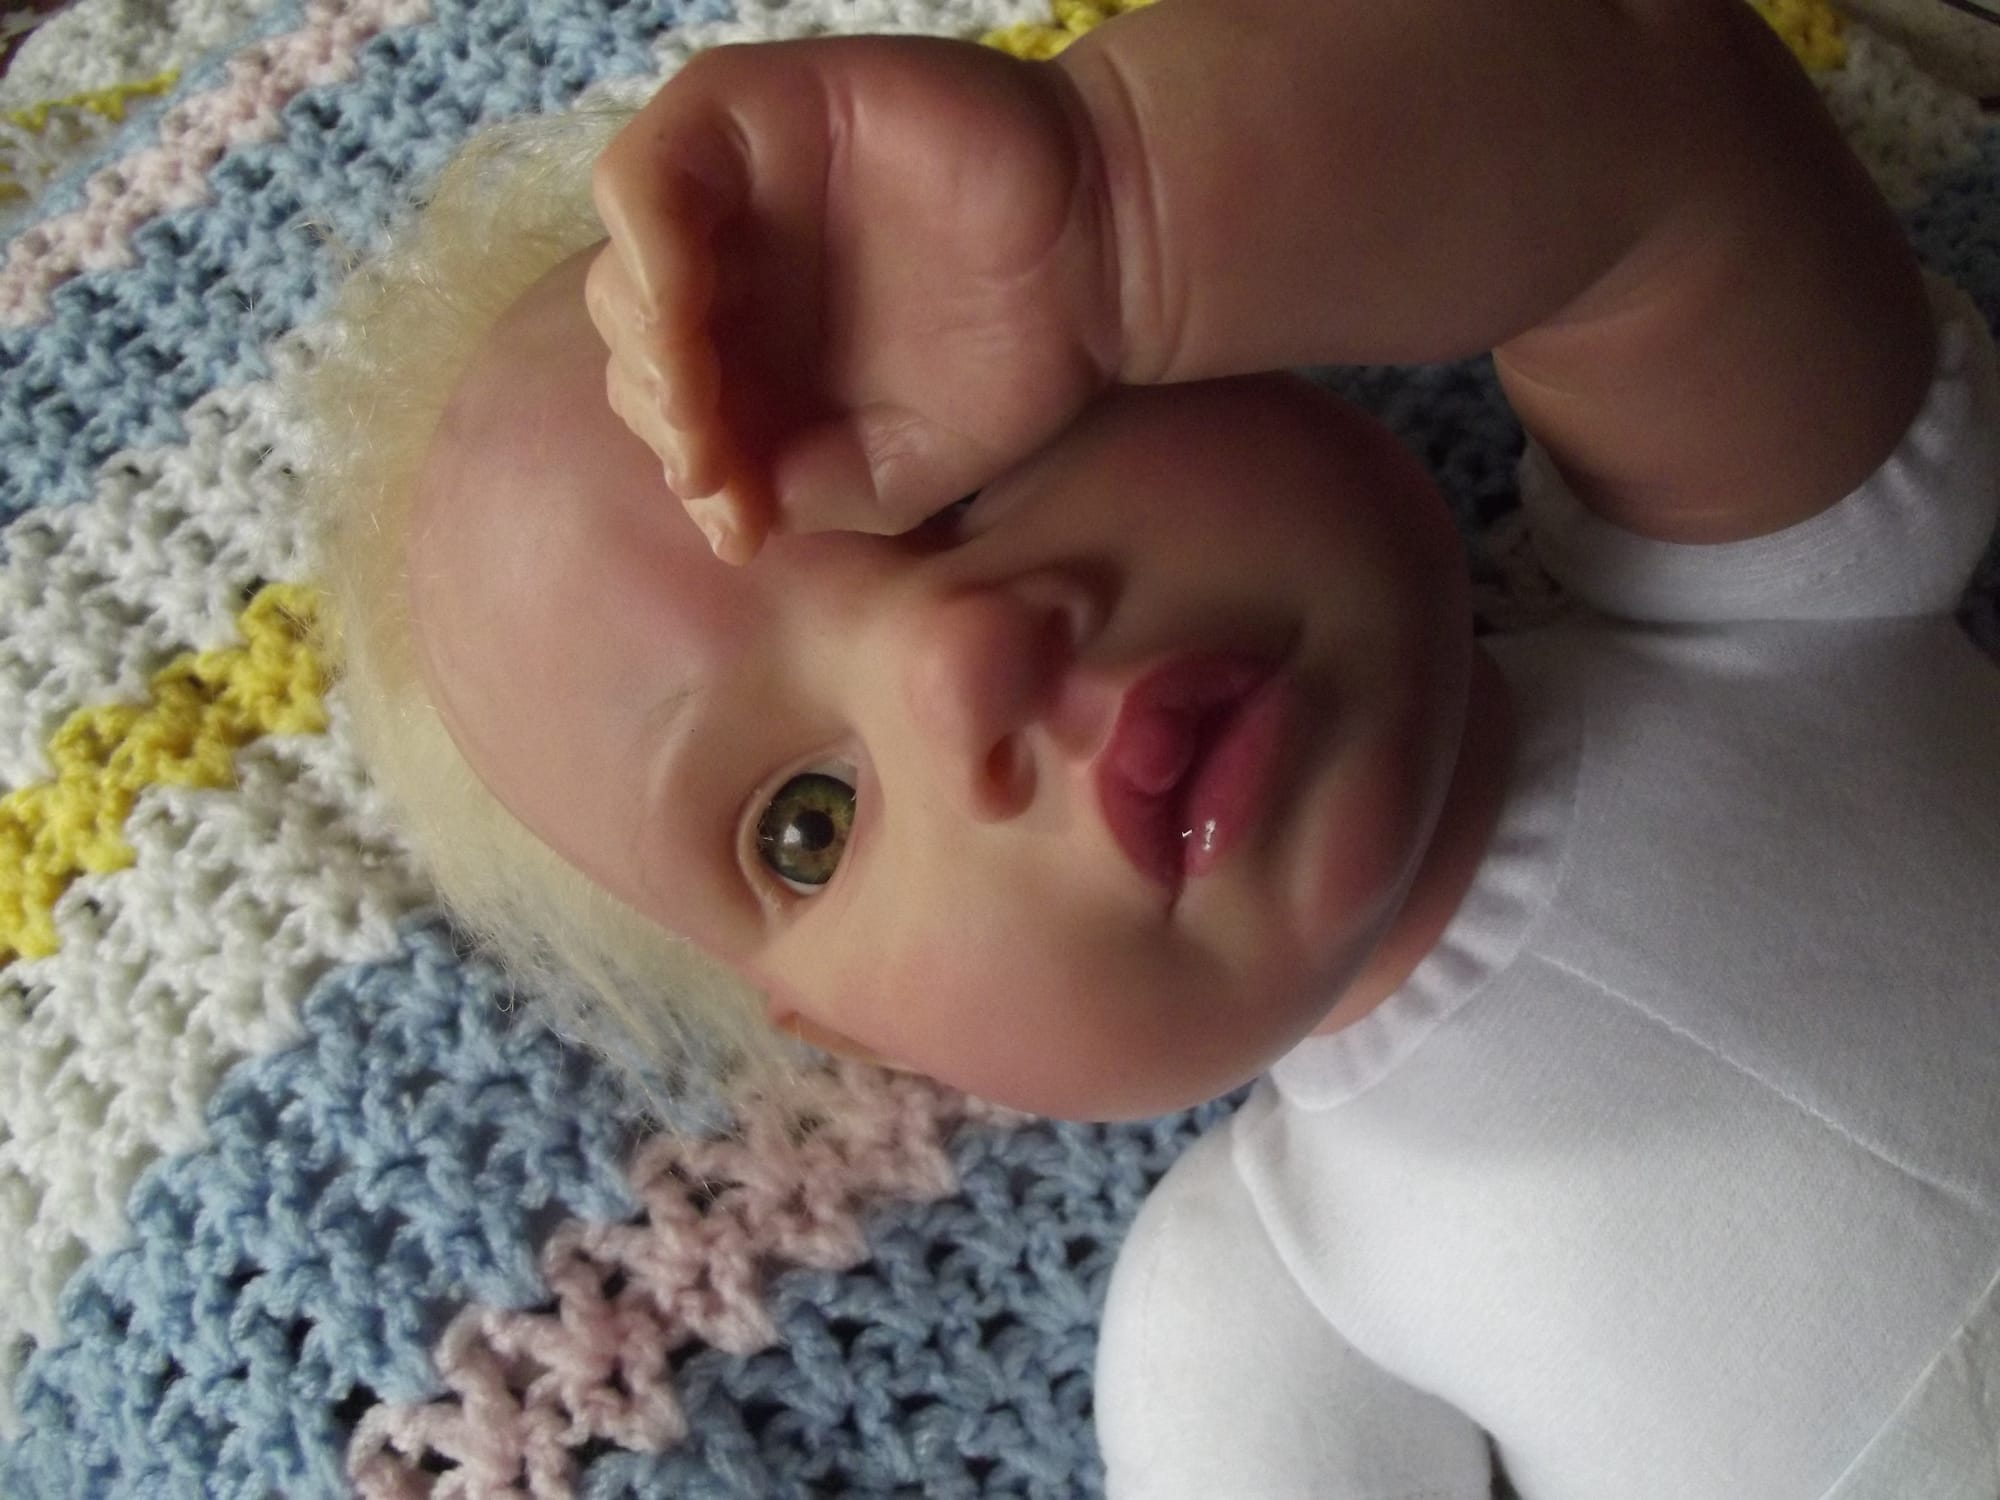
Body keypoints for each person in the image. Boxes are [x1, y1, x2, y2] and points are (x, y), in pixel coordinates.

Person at [304, 0, 2000, 1493]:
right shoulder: (1259, 1306)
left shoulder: (1753, 598)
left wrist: (1113, 206)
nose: (966, 662)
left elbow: (1642, 116)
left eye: (953, 481)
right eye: (808, 822)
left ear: (1208, 349)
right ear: (874, 1043)